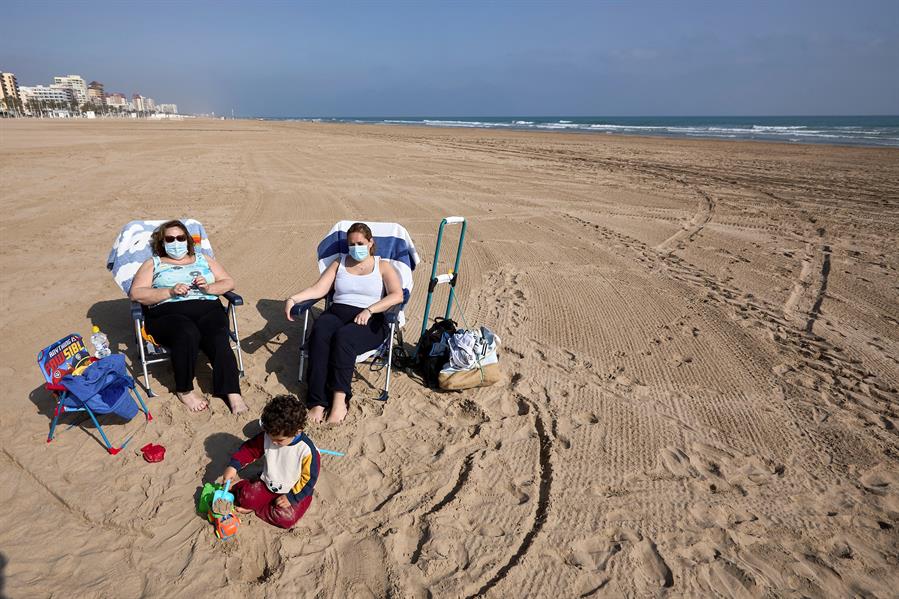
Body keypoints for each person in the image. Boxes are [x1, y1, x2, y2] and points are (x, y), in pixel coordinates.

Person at [285, 222, 403, 424]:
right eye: (351, 244)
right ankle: (317, 402)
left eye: (360, 243)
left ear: (370, 242)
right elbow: (319, 289)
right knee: (320, 331)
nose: (355, 247)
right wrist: (293, 298)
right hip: (338, 312)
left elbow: (397, 295)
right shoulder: (339, 263)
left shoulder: (382, 266)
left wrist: (370, 309)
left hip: (370, 318)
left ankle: (339, 401)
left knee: (344, 337)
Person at [129, 220, 247, 414]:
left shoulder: (203, 259)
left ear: (188, 240)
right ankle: (184, 390)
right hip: (167, 314)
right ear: (162, 243)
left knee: (218, 336)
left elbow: (228, 282)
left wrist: (209, 288)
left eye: (180, 237)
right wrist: (170, 291)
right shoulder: (153, 263)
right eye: (170, 238)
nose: (176, 242)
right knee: (186, 332)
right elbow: (136, 293)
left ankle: (232, 392)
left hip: (208, 308)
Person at [222, 394, 319, 529]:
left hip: (294, 490)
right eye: (270, 437)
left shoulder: (307, 451)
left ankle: (257, 507)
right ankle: (253, 500)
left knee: (286, 519)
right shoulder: (270, 435)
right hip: (269, 483)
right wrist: (234, 466)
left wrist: (291, 498)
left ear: (297, 431)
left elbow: (309, 479)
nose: (273, 442)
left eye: (279, 440)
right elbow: (250, 449)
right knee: (245, 498)